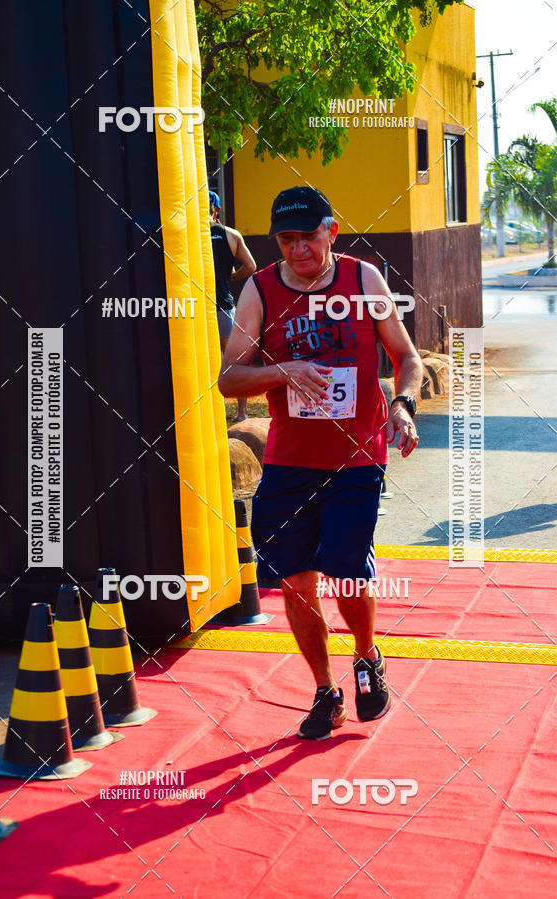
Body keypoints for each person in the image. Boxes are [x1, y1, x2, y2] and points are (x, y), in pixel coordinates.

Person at [218, 186, 423, 740]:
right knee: (295, 579)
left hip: (358, 455)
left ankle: (366, 656)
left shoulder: (362, 280)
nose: (300, 249)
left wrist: (401, 406)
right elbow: (228, 378)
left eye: (310, 236)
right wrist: (284, 370)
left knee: (346, 567)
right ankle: (324, 691)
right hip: (289, 460)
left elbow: (407, 357)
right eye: (288, 239)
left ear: (331, 230)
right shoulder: (260, 291)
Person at [209, 190, 256, 422]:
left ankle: (212, 415)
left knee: (206, 360)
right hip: (224, 304)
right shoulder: (231, 235)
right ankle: (241, 413)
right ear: (217, 209)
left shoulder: (189, 234)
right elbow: (251, 266)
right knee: (235, 360)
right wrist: (232, 277)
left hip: (195, 307)